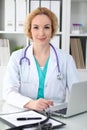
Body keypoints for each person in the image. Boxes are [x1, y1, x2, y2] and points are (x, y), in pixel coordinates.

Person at [3, 7, 79, 111]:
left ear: (52, 30)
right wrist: (31, 103)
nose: (41, 33)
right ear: (29, 29)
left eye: (46, 27)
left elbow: (78, 94)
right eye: (36, 27)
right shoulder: (16, 57)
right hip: (24, 113)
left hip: (56, 114)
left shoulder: (66, 59)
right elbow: (8, 92)